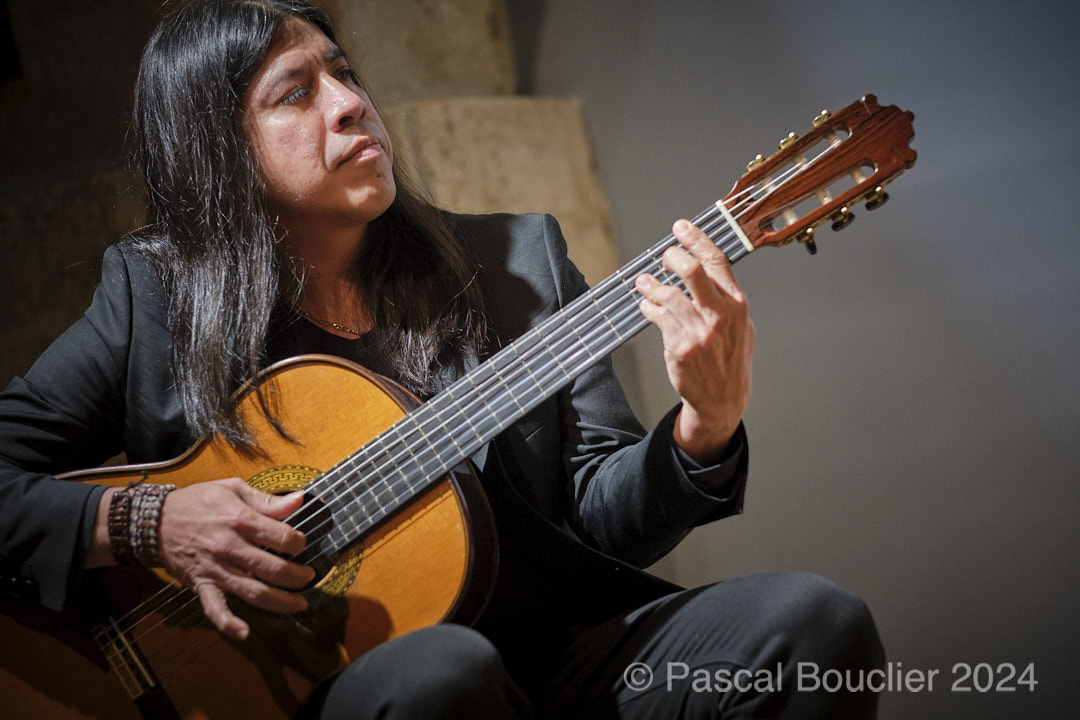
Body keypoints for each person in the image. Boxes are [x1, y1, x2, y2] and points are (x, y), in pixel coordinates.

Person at [0, 0, 884, 717]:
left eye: (344, 72)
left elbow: (600, 519)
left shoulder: (517, 266)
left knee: (811, 626)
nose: (348, 102)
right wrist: (149, 524)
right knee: (439, 675)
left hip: (548, 663)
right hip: (329, 694)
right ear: (220, 157)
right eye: (295, 93)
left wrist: (704, 428)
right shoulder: (155, 300)